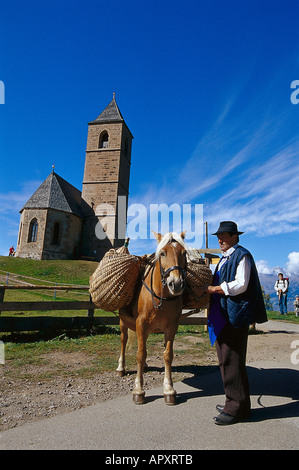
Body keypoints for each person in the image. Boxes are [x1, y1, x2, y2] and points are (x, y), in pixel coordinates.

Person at [204, 221, 267, 425]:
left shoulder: (242, 255)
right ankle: (238, 404)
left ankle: (235, 409)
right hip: (223, 315)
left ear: (235, 237)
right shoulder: (224, 259)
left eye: (224, 235)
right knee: (226, 360)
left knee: (232, 360)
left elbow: (241, 284)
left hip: (235, 316)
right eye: (218, 236)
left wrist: (214, 289)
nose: (220, 239)